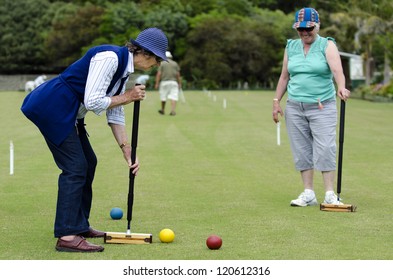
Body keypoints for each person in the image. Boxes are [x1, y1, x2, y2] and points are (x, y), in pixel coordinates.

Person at [21, 27, 168, 252]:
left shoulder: (123, 71)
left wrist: (126, 149)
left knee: (89, 162)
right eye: (157, 59)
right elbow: (93, 101)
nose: (157, 65)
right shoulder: (109, 58)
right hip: (53, 107)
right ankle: (67, 236)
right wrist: (128, 96)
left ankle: (79, 226)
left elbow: (114, 111)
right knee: (75, 167)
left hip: (70, 113)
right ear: (145, 53)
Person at [272, 8, 351, 207]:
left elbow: (337, 70)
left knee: (325, 147)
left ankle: (330, 194)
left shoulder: (327, 44)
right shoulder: (291, 46)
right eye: (301, 29)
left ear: (317, 26)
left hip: (321, 105)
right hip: (295, 106)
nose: (305, 32)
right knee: (301, 150)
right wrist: (276, 101)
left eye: (309, 28)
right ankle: (308, 193)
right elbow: (284, 76)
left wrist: (341, 87)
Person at [154, 51, 182, 116]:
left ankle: (162, 110)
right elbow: (178, 74)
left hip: (164, 82)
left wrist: (157, 83)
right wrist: (179, 83)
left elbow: (159, 74)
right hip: (174, 82)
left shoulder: (162, 63)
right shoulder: (175, 63)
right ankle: (172, 110)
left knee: (163, 96)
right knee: (173, 96)